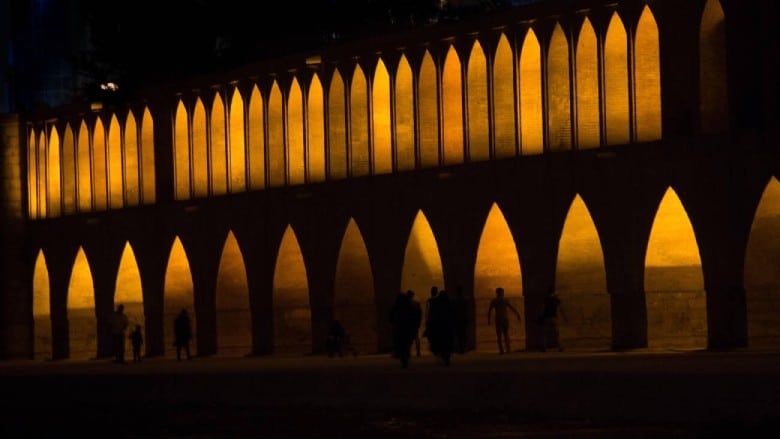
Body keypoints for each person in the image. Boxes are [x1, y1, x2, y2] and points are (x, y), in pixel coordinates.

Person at [487, 287, 521, 355]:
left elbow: (490, 310)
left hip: (499, 319)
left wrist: (489, 320)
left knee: (500, 335)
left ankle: (502, 350)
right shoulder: (503, 300)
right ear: (501, 293)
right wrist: (517, 314)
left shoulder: (495, 301)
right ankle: (507, 350)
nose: (503, 293)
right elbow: (511, 307)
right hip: (504, 319)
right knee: (505, 334)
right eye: (502, 292)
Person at [426, 289, 455, 365]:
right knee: (447, 343)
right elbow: (453, 315)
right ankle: (447, 358)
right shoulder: (449, 303)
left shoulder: (436, 303)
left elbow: (432, 315)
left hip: (439, 327)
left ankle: (443, 356)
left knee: (440, 343)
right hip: (447, 327)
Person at [389, 292, 416, 368]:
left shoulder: (396, 307)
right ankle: (405, 358)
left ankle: (403, 359)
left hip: (399, 328)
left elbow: (391, 317)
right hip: (407, 329)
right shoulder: (409, 307)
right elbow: (414, 316)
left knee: (400, 343)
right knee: (406, 344)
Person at [452, 285, 469, 354]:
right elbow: (467, 310)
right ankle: (463, 348)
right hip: (463, 319)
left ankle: (460, 348)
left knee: (458, 335)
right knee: (463, 334)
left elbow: (453, 311)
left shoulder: (454, 300)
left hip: (457, 319)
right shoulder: (465, 300)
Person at [407, 290, 423, 357]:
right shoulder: (416, 303)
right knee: (416, 337)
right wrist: (419, 322)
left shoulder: (405, 303)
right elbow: (420, 313)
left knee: (408, 338)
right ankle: (418, 352)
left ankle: (408, 352)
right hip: (415, 323)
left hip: (408, 323)